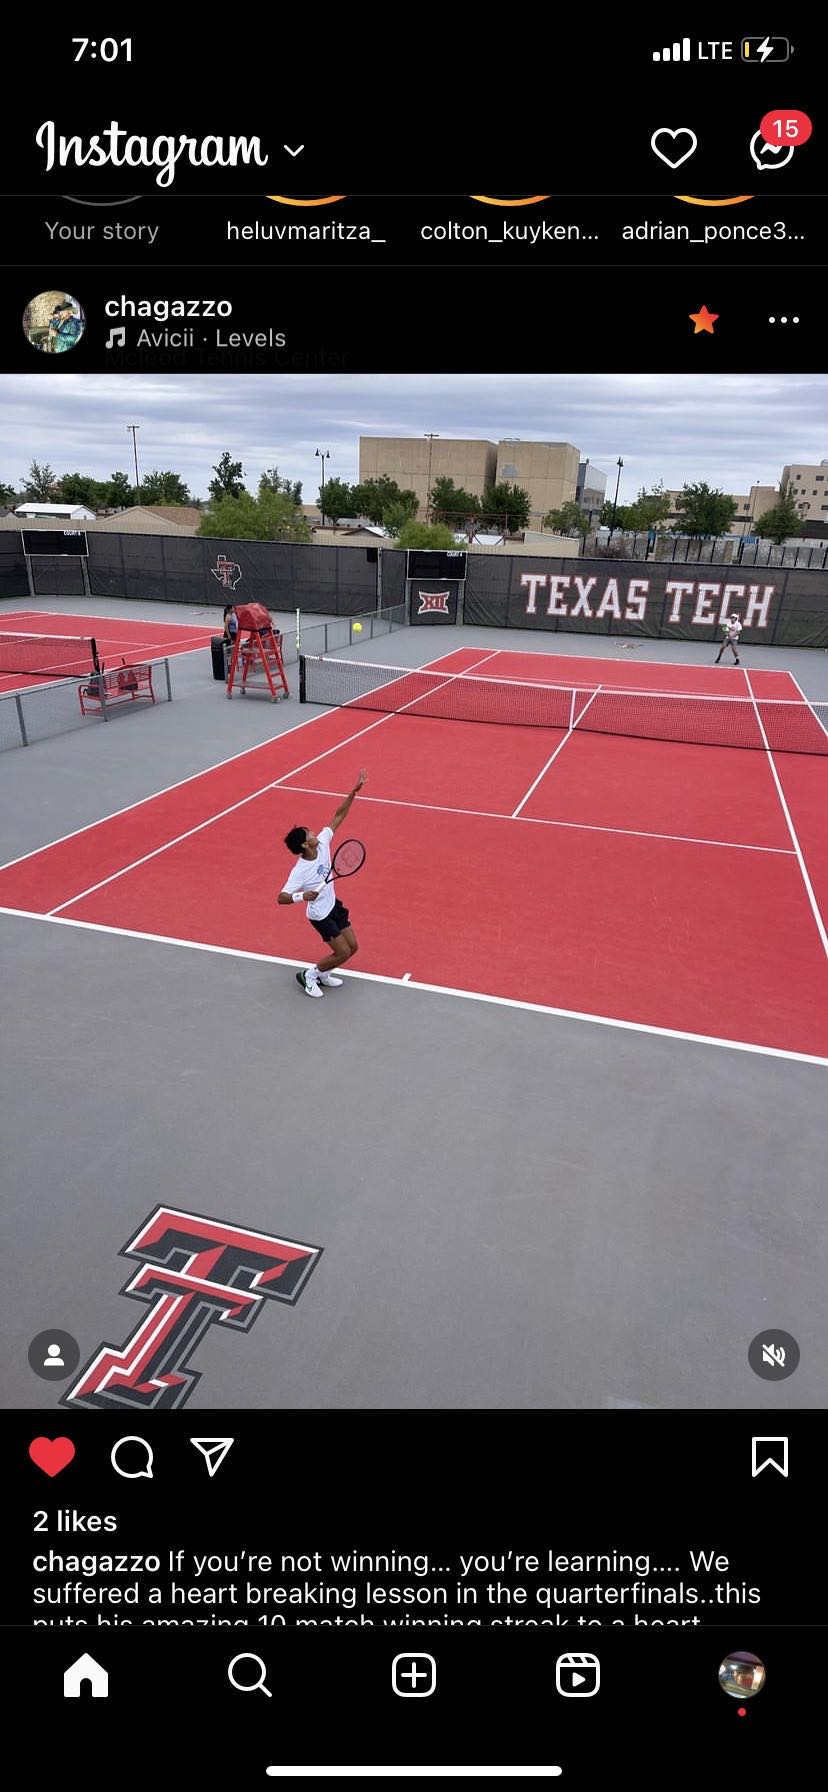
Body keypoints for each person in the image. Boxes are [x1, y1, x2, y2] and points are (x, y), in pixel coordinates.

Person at [277, 770, 368, 997]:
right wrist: (301, 897)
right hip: (320, 914)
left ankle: (324, 974)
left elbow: (338, 816)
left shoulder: (323, 843)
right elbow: (281, 897)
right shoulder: (300, 871)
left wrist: (353, 793)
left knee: (353, 947)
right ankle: (309, 975)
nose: (315, 832)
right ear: (305, 846)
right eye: (310, 834)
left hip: (332, 904)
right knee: (343, 952)